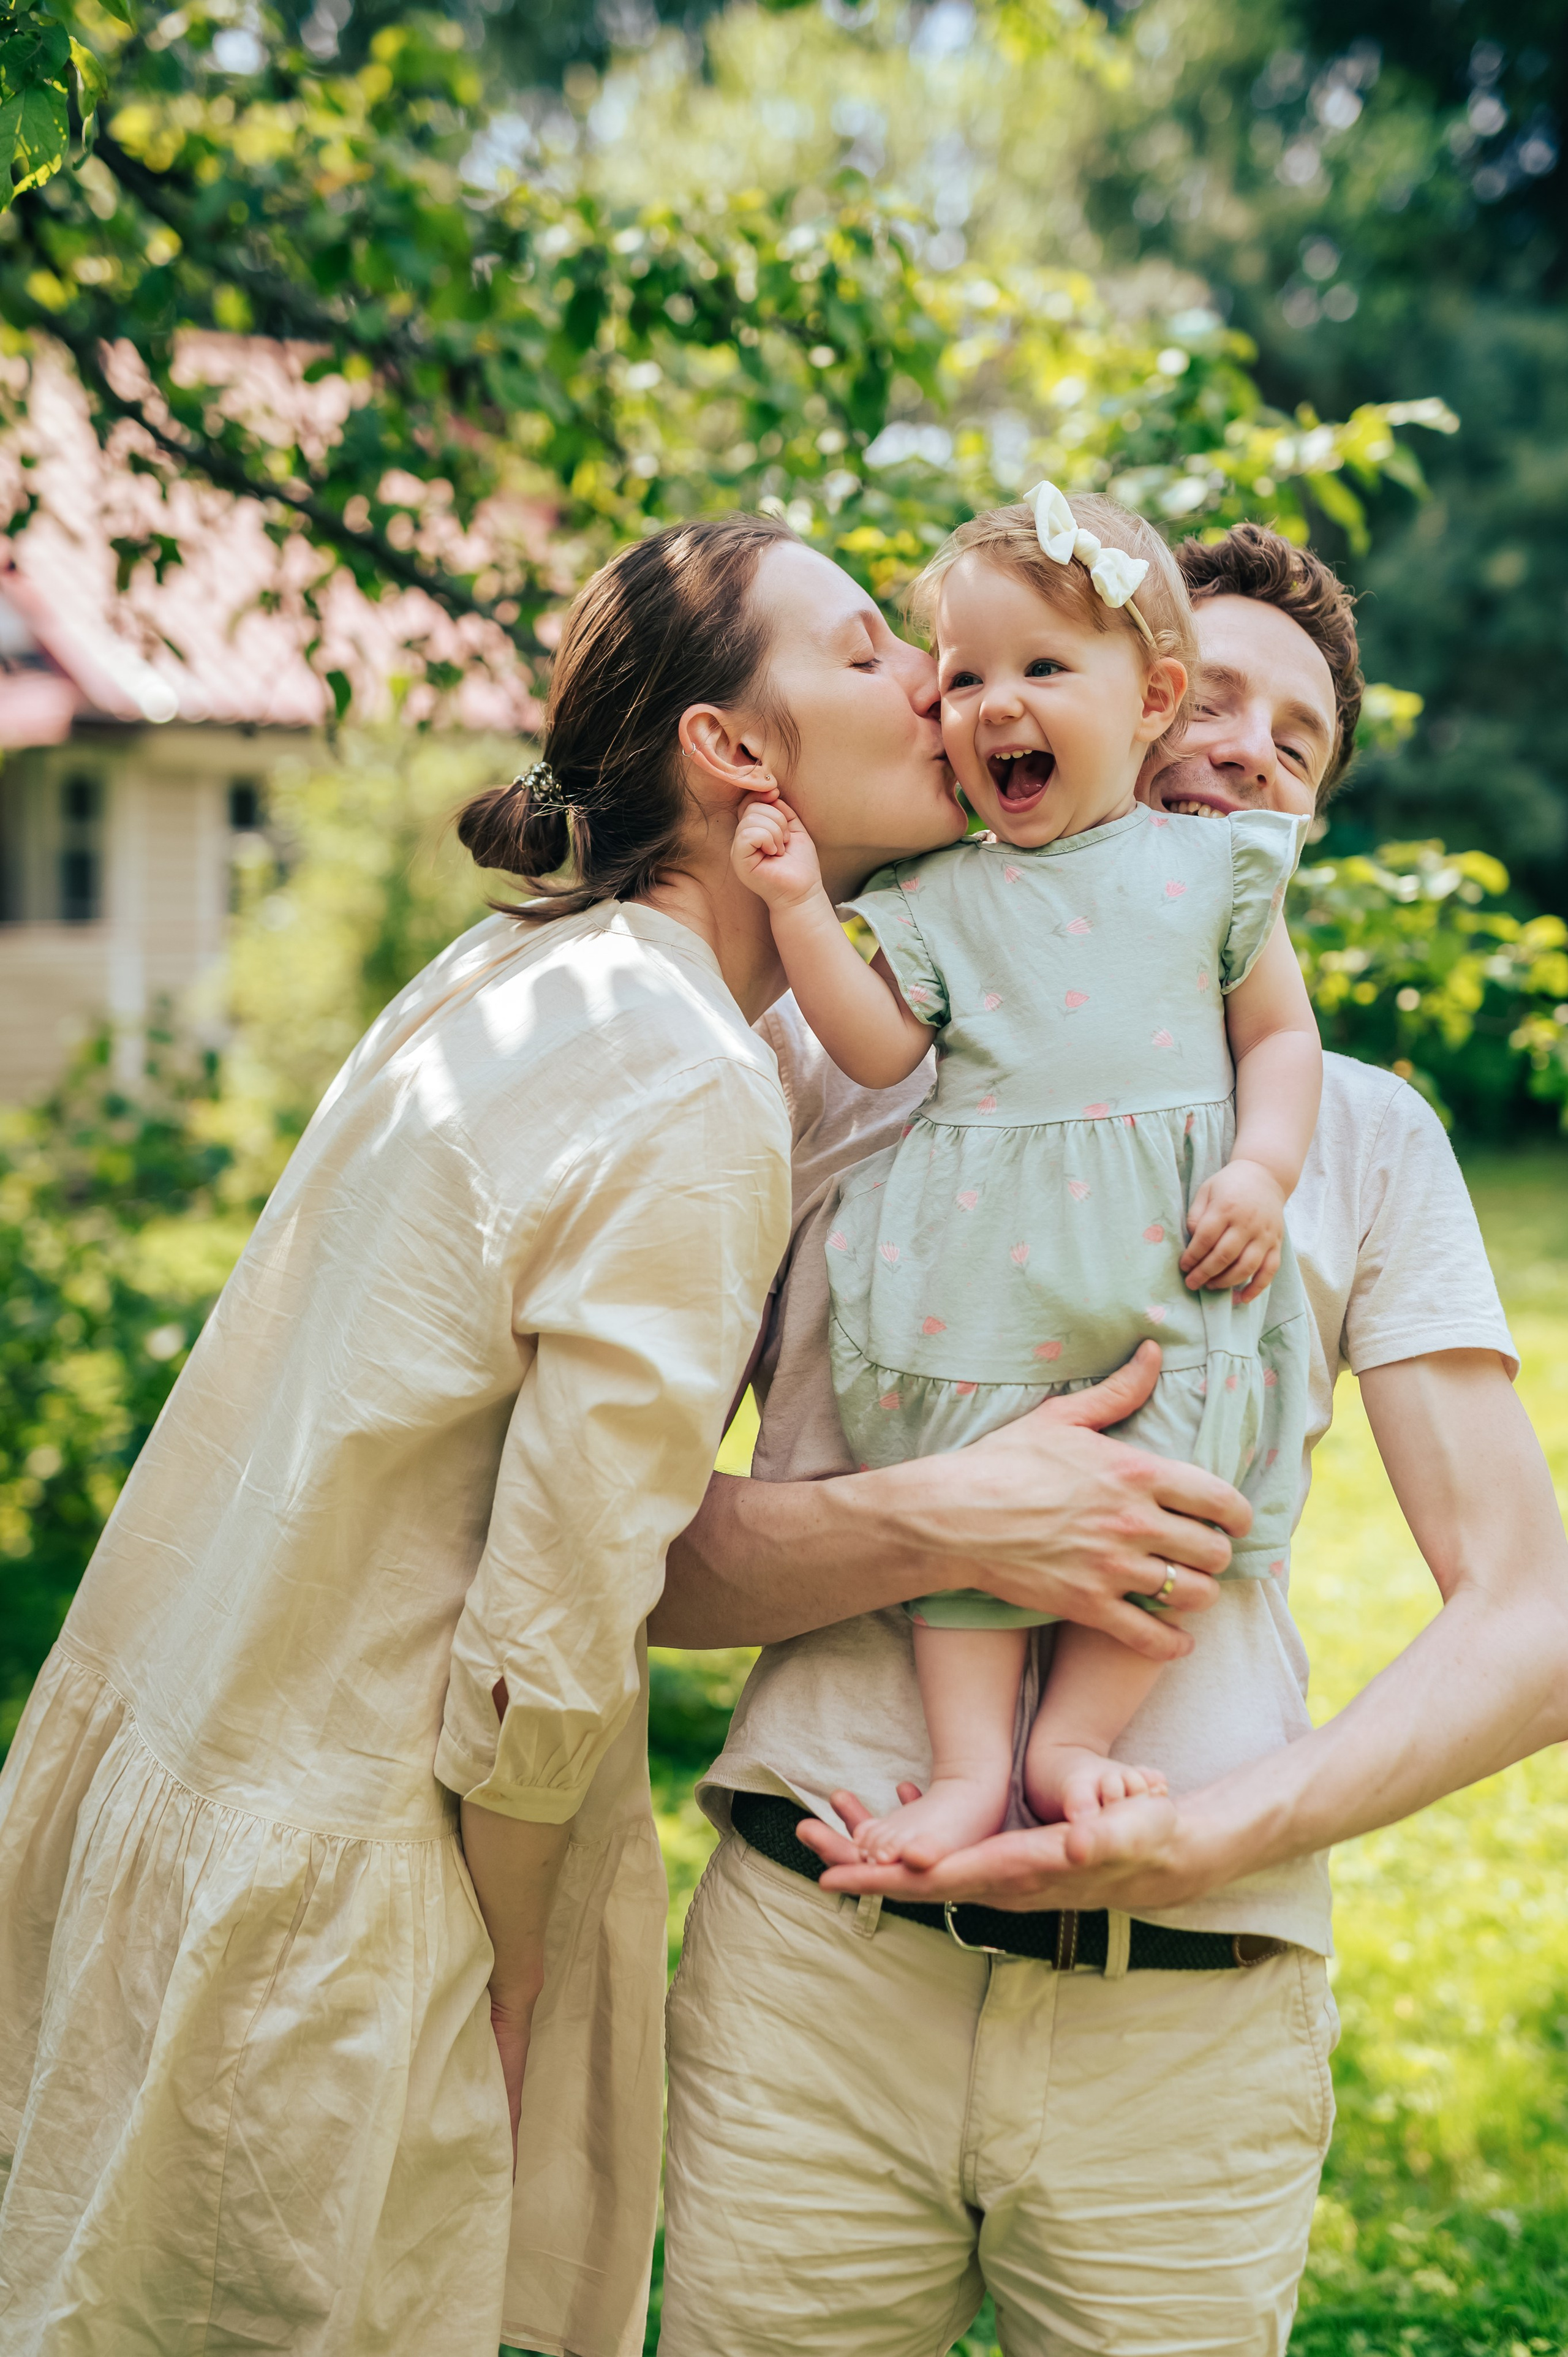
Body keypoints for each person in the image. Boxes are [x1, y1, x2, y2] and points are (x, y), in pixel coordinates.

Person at [0, 510, 967, 2357]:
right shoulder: (688, 1076)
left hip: (184, 1780)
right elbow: (552, 1635)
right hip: (358, 1905)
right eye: (860, 650)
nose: (925, 679)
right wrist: (512, 1976)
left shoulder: (514, 976)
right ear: (732, 750)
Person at [654, 519, 1568, 2356]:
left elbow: (1537, 1619)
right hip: (823, 1963)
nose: (1242, 748)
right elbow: (622, 1545)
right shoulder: (833, 1065)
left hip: (1192, 2006)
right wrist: (961, 1520)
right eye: (1212, 696)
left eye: (1294, 743)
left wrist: (1220, 1831)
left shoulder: (1366, 1140)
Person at [729, 486, 1321, 1868]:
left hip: (1170, 1264)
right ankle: (962, 1768)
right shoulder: (940, 895)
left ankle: (1074, 1745)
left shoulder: (1210, 868)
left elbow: (1278, 1034)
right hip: (983, 1273)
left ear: (1149, 699)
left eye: (1043, 670)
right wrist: (800, 909)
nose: (994, 704)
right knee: (969, 1493)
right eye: (964, 678)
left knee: (1174, 1503)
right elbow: (875, 1050)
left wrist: (1260, 1166)